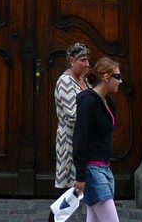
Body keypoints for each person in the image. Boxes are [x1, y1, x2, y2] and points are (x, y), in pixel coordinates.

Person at [72, 56, 122, 222]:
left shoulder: (108, 103)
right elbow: (80, 138)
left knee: (93, 219)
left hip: (104, 169)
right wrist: (80, 175)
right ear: (106, 77)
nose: (120, 81)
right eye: (117, 76)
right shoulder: (88, 102)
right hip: (92, 171)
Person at [55, 43, 91, 190]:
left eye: (88, 59)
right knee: (68, 192)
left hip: (83, 140)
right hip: (69, 141)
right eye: (83, 60)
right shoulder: (65, 82)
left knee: (82, 189)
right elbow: (72, 115)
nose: (87, 64)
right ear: (71, 61)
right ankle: (56, 214)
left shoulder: (84, 80)